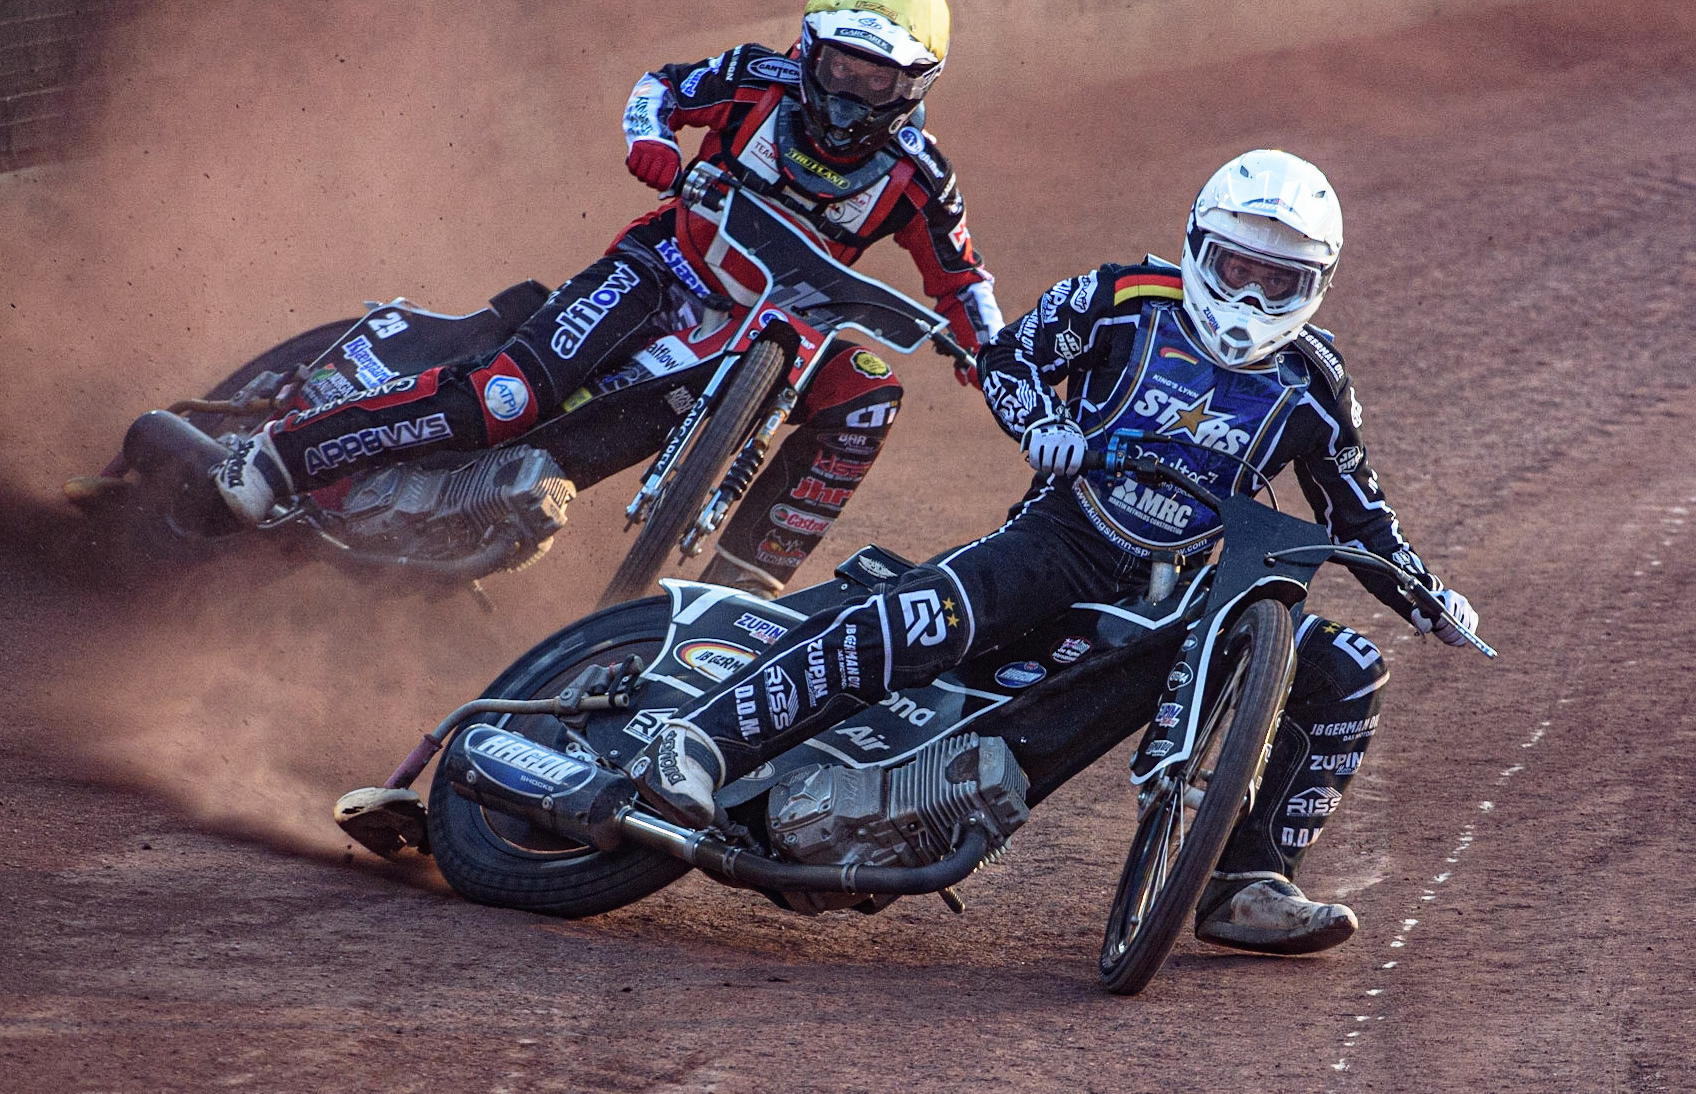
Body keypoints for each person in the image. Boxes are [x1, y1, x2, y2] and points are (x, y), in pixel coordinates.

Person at [632, 149, 1481, 955]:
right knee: (921, 619)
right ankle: (701, 740)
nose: (1251, 298)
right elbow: (1009, 359)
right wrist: (1043, 425)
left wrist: (1428, 597)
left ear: (1315, 288)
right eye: (1235, 269)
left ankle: (1248, 882)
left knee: (1349, 669)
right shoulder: (1119, 297)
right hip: (1063, 537)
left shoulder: (1316, 387)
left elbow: (1359, 513)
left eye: (1279, 281)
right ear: (1198, 248)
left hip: (1189, 594)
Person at [212, 0, 1002, 597]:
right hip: (661, 271)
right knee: (508, 397)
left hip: (773, 333)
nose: (846, 94)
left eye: (876, 79)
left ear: (917, 84)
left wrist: (994, 355)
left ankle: (742, 595)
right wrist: (650, 138)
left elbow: (962, 282)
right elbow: (658, 87)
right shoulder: (754, 79)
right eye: (836, 66)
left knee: (869, 396)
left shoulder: (919, 178)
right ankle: (284, 452)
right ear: (808, 48)